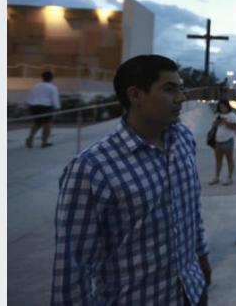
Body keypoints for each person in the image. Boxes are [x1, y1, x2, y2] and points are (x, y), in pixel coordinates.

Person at [51, 55, 211, 305]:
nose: (181, 97)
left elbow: (191, 208)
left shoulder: (182, 139)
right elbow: (74, 265)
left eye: (181, 88)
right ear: (135, 95)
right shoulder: (92, 169)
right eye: (169, 89)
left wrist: (202, 258)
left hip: (192, 290)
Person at [25, 70, 61, 148]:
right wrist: (57, 108)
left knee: (37, 123)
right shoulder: (52, 87)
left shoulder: (35, 86)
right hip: (46, 107)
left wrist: (29, 106)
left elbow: (30, 97)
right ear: (51, 78)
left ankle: (30, 137)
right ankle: (44, 142)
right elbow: (55, 99)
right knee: (47, 125)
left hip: (35, 107)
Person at [209, 99, 236, 185]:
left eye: (224, 107)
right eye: (220, 107)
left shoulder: (232, 116)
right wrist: (216, 122)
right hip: (218, 141)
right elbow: (213, 126)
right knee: (218, 160)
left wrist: (225, 122)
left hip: (228, 140)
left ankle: (230, 177)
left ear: (227, 107)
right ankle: (216, 177)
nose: (222, 109)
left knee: (229, 159)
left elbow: (234, 128)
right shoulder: (217, 115)